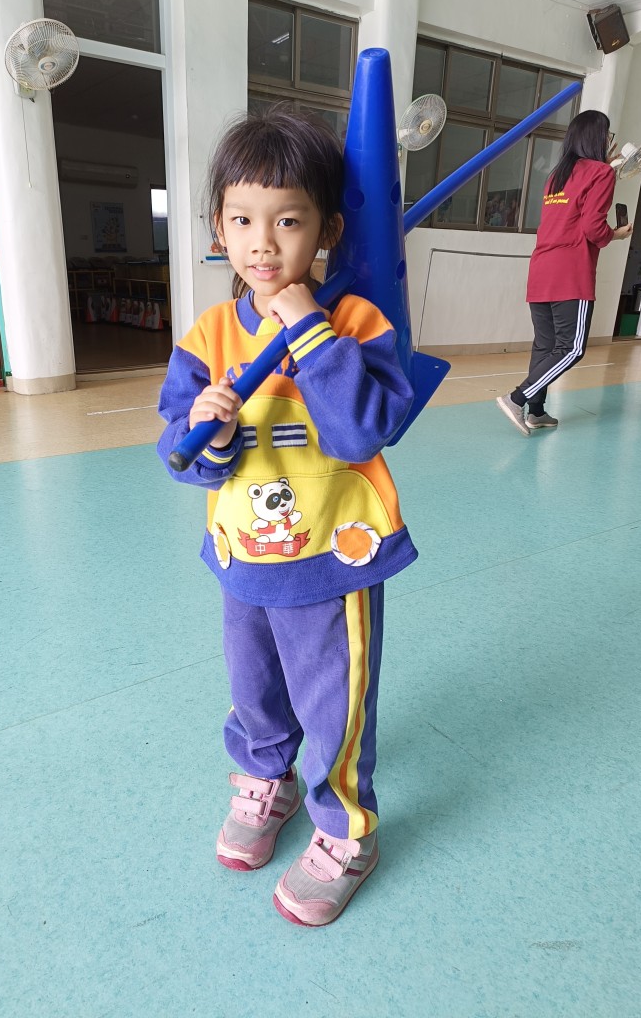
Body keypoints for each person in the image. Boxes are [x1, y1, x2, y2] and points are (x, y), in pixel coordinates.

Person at [156, 106, 417, 927]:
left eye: (288, 220)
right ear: (218, 228)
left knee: (333, 705)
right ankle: (267, 783)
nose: (262, 243)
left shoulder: (358, 325)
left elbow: (362, 431)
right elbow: (178, 449)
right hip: (243, 558)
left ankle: (346, 831)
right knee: (255, 692)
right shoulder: (209, 335)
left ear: (329, 230)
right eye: (242, 219)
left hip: (333, 561)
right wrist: (211, 435)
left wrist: (309, 330)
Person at [496, 110, 633, 435]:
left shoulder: (557, 175)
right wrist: (616, 234)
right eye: (607, 134)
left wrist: (604, 166)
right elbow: (593, 228)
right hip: (571, 272)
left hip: (541, 269)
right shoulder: (601, 173)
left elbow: (571, 212)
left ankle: (536, 412)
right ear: (598, 137)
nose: (609, 140)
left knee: (545, 346)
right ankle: (517, 399)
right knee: (571, 347)